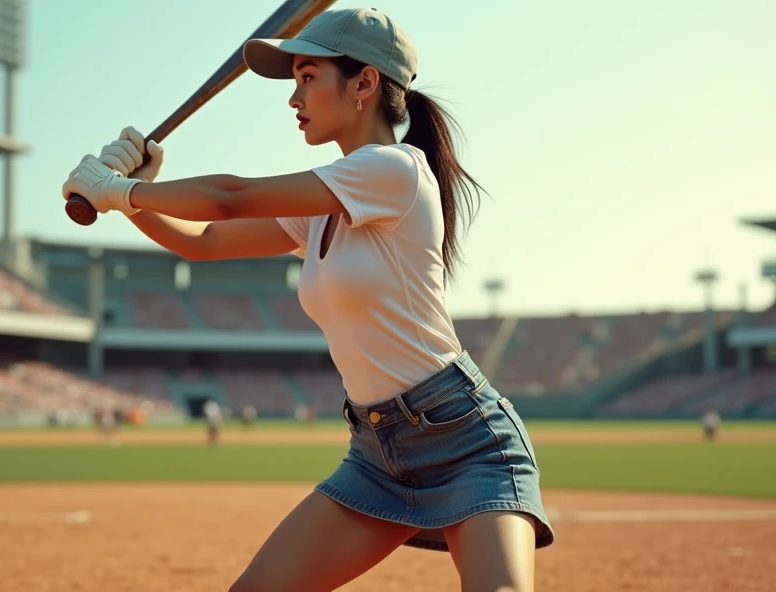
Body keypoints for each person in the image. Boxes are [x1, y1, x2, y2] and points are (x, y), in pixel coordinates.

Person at [62, 8, 553, 590]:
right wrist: (138, 198)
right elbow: (207, 241)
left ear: (364, 83)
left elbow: (229, 198)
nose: (294, 98)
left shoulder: (393, 170)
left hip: (465, 439)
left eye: (308, 77)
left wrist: (121, 190)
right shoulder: (328, 201)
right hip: (378, 452)